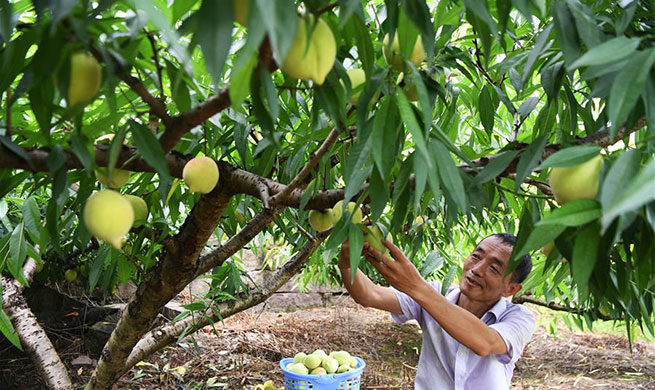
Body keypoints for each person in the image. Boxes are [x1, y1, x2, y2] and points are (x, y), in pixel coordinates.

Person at [339, 233, 535, 390]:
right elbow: (370, 295)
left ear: (511, 289)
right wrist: (347, 264)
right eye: (476, 256)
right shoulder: (435, 294)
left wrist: (417, 288)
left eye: (493, 268)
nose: (477, 269)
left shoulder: (519, 318)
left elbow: (485, 342)